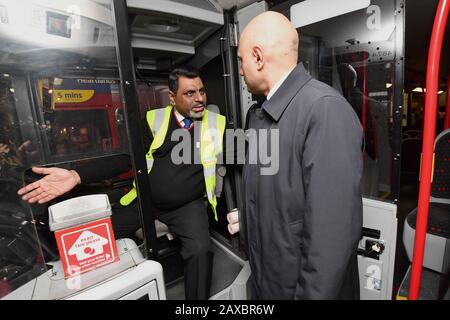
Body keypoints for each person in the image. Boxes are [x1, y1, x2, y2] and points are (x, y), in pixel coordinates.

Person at [17, 66, 226, 300]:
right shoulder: (154, 121)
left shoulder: (217, 124)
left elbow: (245, 150)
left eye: (201, 91)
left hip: (187, 207)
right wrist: (76, 175)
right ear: (172, 97)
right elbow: (127, 156)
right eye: (190, 93)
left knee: (201, 251)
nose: (199, 99)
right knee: (90, 237)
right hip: (145, 201)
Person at [237, 11, 363, 299]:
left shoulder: (325, 110)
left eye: (241, 61)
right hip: (267, 282)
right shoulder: (259, 115)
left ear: (258, 57)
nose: (241, 70)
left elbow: (330, 242)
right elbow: (274, 199)